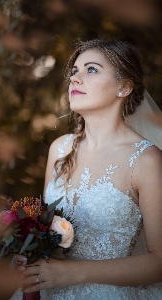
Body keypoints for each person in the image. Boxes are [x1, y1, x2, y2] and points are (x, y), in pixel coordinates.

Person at [14, 39, 162, 299]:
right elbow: (46, 228)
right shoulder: (59, 150)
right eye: (74, 72)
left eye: (91, 69)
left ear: (124, 86)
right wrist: (30, 251)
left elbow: (159, 261)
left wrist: (72, 273)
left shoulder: (146, 160)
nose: (75, 79)